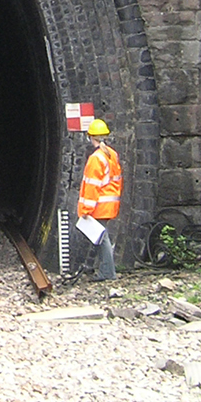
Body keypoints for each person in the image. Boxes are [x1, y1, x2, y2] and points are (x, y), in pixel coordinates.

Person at [74, 117, 123, 281]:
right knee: (102, 237)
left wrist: (86, 209)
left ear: (91, 137)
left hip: (100, 204)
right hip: (110, 203)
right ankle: (103, 269)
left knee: (102, 239)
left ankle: (108, 273)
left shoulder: (96, 158)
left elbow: (92, 185)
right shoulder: (112, 155)